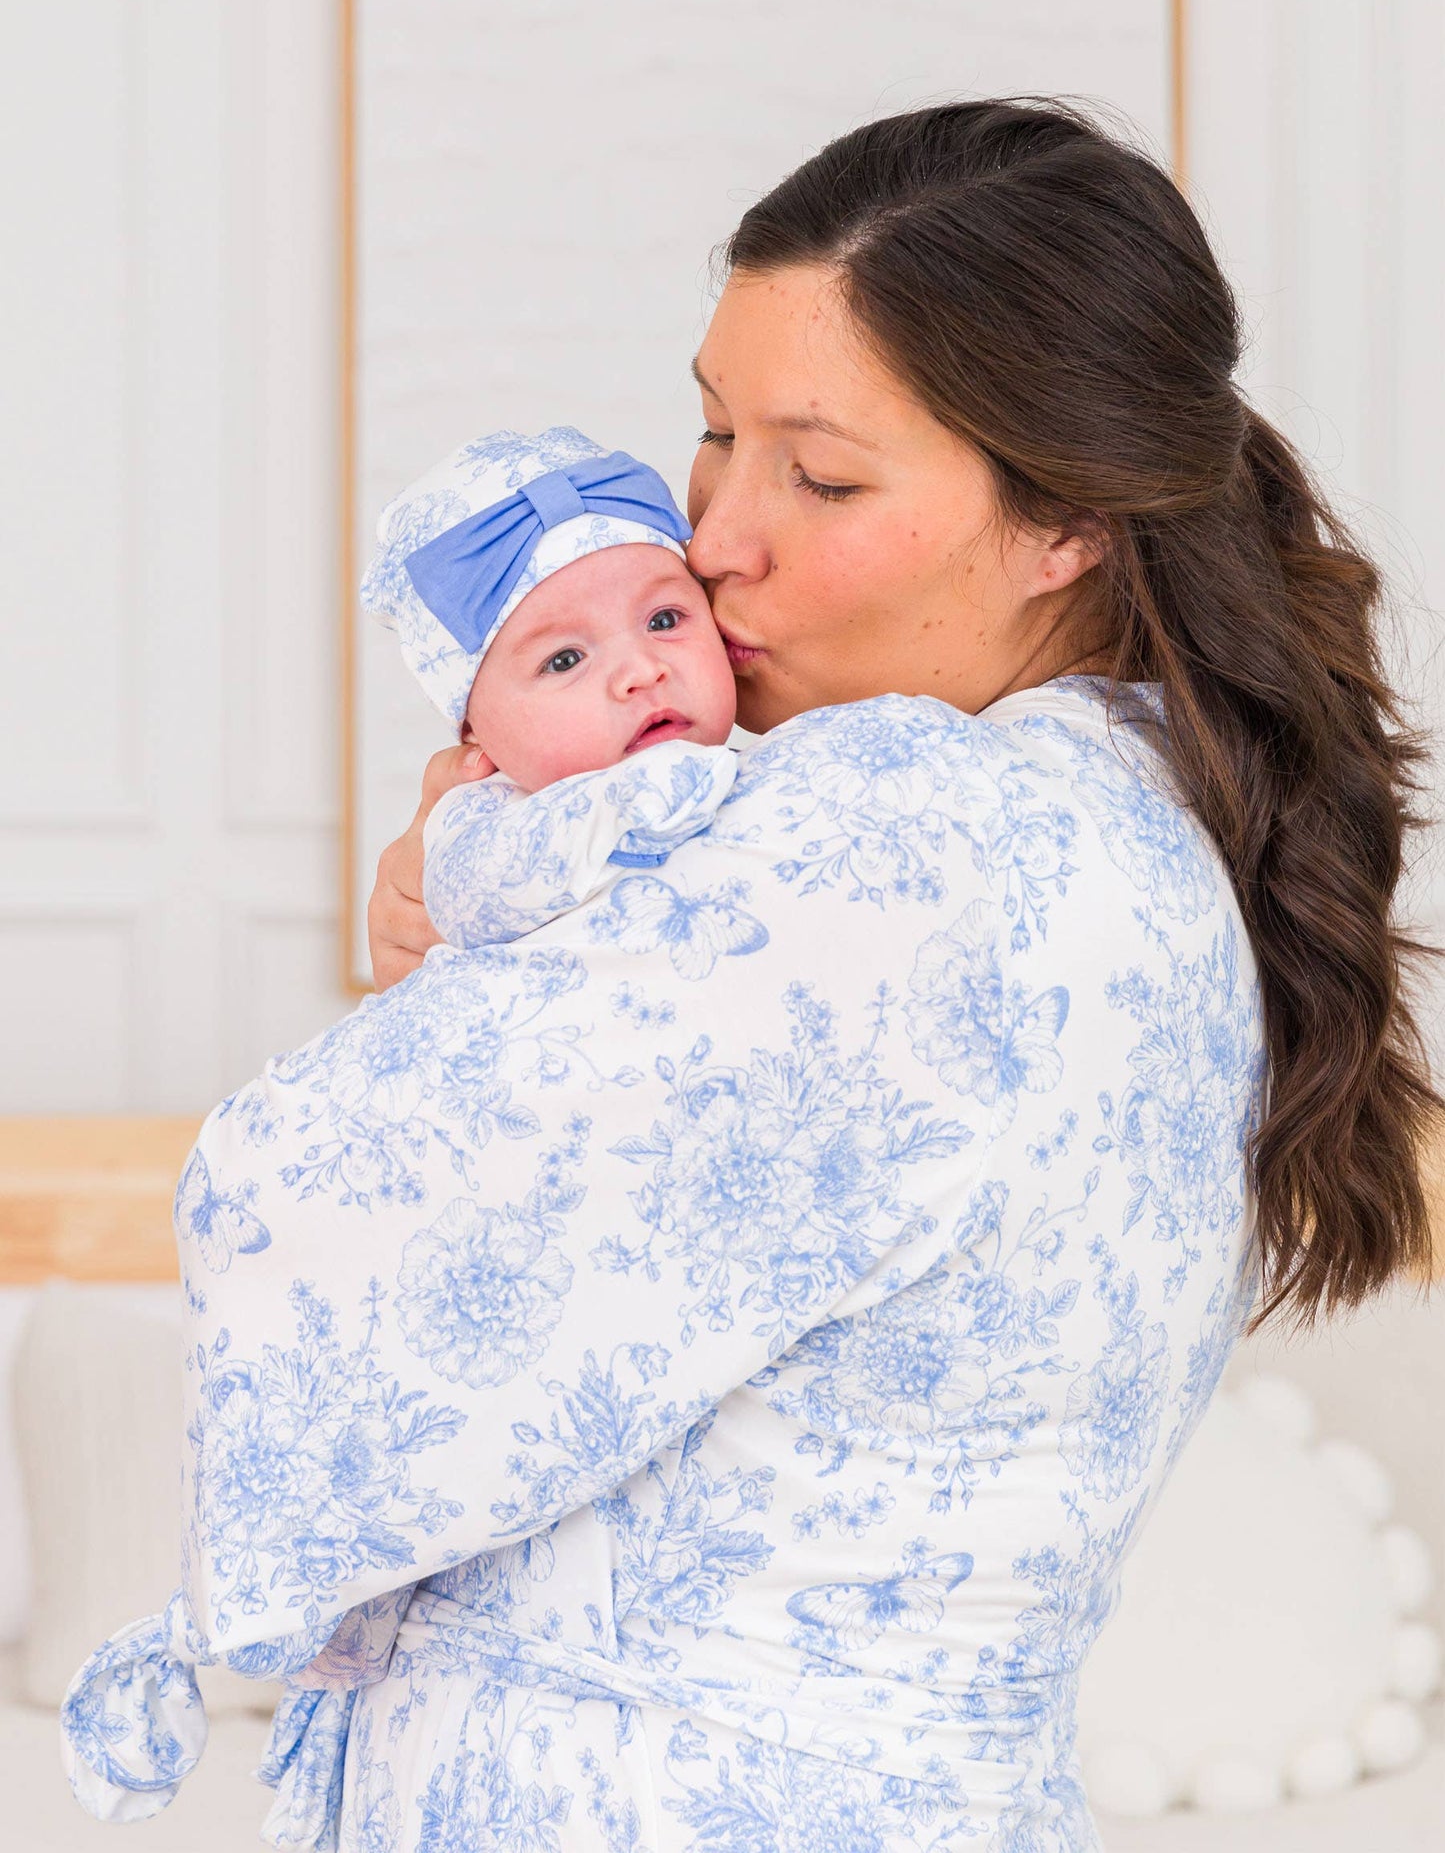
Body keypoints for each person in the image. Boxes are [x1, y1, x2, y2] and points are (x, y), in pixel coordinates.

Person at [62, 99, 1437, 1853]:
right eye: (715, 432)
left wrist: (467, 915)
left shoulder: (906, 845)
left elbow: (316, 1220)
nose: (714, 537)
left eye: (823, 475)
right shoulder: (1145, 829)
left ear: (1068, 520)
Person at [359, 425, 739, 950]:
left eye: (664, 620)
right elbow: (465, 898)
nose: (642, 671)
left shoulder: (767, 766)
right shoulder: (485, 815)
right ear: (474, 733)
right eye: (564, 660)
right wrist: (624, 804)